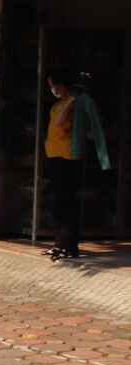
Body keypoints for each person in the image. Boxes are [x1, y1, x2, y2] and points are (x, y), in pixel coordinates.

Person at [43, 71, 110, 261]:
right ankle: (59, 243)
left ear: (61, 86)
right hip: (55, 156)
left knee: (67, 204)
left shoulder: (76, 106)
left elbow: (60, 122)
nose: (52, 90)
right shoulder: (57, 105)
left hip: (68, 158)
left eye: (53, 85)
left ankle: (69, 246)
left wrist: (72, 101)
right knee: (58, 203)